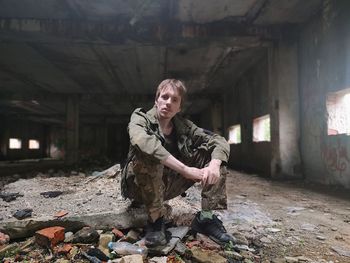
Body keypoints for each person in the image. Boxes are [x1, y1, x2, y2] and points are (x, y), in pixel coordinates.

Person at [121, 79, 235, 247]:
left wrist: (214, 165)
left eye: (174, 99)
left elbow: (219, 140)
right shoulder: (140, 118)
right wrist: (185, 170)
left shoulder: (185, 126)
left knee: (216, 158)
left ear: (179, 107)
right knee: (148, 155)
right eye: (164, 97)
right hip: (139, 187)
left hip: (168, 187)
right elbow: (142, 141)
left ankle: (206, 218)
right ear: (156, 100)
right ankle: (155, 222)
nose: (168, 102)